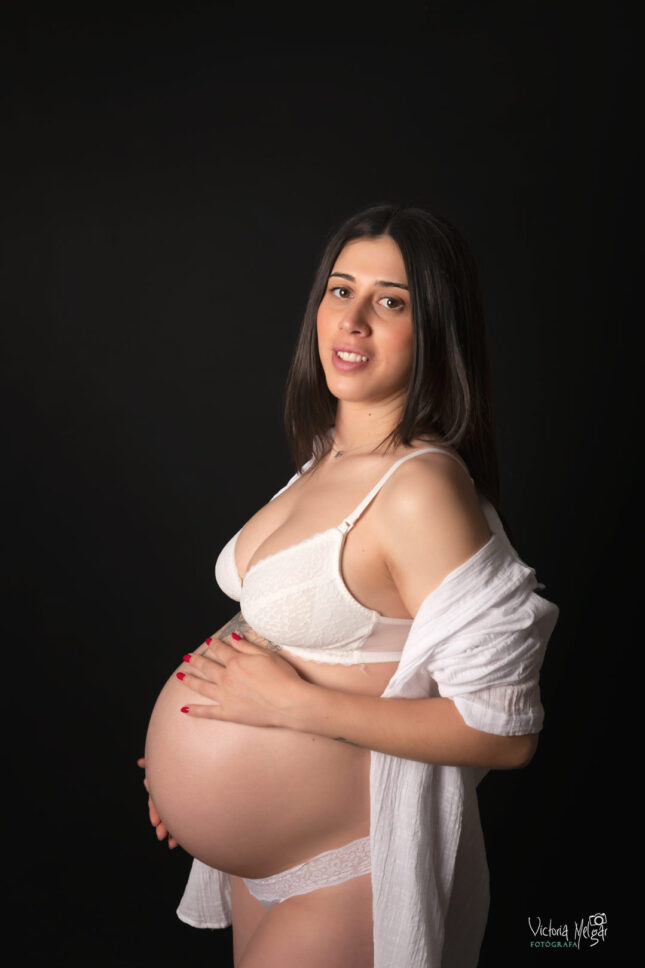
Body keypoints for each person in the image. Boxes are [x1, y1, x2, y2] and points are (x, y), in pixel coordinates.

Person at [139, 203, 559, 968]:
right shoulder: (323, 456)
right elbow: (284, 624)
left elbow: (504, 730)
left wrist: (292, 707)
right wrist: (185, 757)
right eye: (341, 290)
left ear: (435, 330)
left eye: (390, 302)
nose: (353, 319)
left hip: (345, 870)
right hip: (259, 863)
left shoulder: (419, 489)